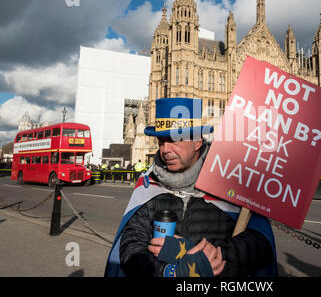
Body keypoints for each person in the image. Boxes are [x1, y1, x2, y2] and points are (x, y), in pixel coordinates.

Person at [105, 98, 276, 277]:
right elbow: (131, 247)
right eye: (161, 141)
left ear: (197, 142)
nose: (165, 150)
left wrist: (217, 256)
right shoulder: (150, 186)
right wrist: (168, 272)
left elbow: (260, 242)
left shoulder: (230, 179)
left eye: (175, 139)